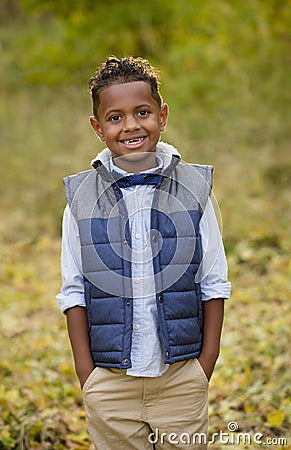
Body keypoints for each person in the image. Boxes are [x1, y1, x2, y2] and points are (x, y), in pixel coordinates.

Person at [57, 56, 231, 449]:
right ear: (97, 127)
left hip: (181, 379)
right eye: (115, 117)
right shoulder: (80, 200)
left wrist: (205, 365)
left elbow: (213, 282)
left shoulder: (194, 190)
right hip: (110, 385)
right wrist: (88, 376)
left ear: (162, 115)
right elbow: (73, 291)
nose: (131, 125)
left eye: (142, 112)